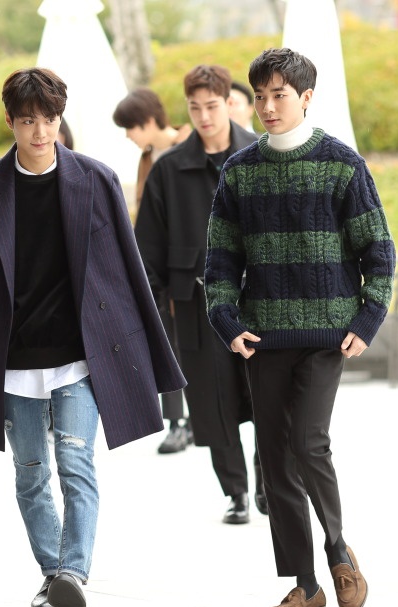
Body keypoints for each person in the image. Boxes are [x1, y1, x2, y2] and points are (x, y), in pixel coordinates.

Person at [0, 67, 186, 607]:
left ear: (60, 119)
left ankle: (72, 575)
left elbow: (126, 269)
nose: (40, 132)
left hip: (80, 358)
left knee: (76, 464)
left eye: (49, 119)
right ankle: (52, 574)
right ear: (9, 121)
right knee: (31, 474)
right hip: (13, 363)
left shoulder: (95, 180)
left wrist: (145, 348)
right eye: (28, 120)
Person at [205, 47, 395, 607]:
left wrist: (368, 318)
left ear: (306, 97)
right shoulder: (239, 171)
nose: (267, 106)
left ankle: (338, 550)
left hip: (325, 335)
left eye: (279, 95)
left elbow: (378, 250)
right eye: (259, 96)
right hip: (263, 337)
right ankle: (306, 584)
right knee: (274, 458)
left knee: (309, 443)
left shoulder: (342, 164)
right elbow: (220, 258)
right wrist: (226, 319)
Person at [135, 64, 267, 524]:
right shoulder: (169, 169)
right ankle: (237, 493)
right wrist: (157, 309)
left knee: (269, 396)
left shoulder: (260, 154)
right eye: (195, 108)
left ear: (228, 102)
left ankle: (267, 479)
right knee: (213, 403)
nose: (204, 116)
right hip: (195, 308)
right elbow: (147, 247)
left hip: (260, 304)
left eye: (212, 106)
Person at [113, 88, 192, 454]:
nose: (128, 136)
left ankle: (196, 419)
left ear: (146, 121)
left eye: (130, 127)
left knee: (191, 344)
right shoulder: (147, 158)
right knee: (165, 343)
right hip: (155, 267)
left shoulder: (189, 145)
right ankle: (177, 422)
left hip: (189, 264)